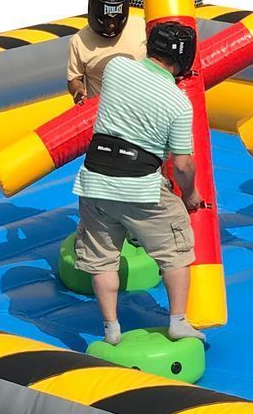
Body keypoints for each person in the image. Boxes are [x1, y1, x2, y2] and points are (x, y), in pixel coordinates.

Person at [72, 21, 208, 346]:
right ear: (185, 60)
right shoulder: (179, 103)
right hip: (140, 185)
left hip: (94, 180)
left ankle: (111, 328)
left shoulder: (117, 69)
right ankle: (178, 322)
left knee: (101, 259)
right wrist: (190, 195)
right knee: (175, 252)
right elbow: (183, 165)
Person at [67, 0, 147, 102]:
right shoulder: (79, 41)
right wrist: (78, 91)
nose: (112, 25)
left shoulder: (141, 26)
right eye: (106, 20)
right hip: (106, 110)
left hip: (142, 106)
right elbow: (74, 79)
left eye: (117, 19)